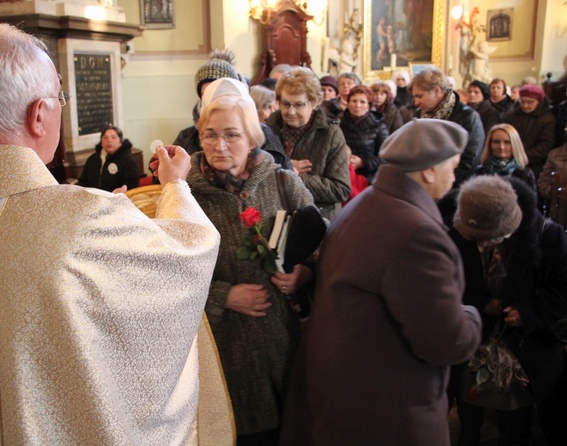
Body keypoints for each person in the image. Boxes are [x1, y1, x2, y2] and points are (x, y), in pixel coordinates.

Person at [0, 24, 234, 445]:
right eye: (59, 98)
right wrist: (174, 188)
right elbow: (189, 251)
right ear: (39, 114)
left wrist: (93, 219)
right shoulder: (77, 220)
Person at [280, 119, 482, 445]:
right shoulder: (417, 233)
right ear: (429, 170)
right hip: (388, 407)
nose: (454, 176)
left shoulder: (366, 203)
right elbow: (445, 340)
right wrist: (472, 315)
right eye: (453, 167)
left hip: (342, 393)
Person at [189, 77, 317, 445]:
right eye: (210, 135)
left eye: (231, 135)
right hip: (222, 350)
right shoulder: (186, 195)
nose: (220, 145)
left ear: (252, 139)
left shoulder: (282, 183)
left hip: (283, 345)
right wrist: (222, 297)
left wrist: (304, 272)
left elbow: (320, 240)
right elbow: (165, 277)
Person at [439, 176, 567, 446]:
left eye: (491, 239)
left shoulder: (548, 236)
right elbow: (443, 284)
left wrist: (527, 312)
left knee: (516, 426)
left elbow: (560, 293)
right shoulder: (455, 227)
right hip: (471, 339)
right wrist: (482, 303)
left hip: (525, 347)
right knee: (467, 414)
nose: (484, 245)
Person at [171, 50, 292, 171]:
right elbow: (167, 178)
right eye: (207, 94)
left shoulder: (264, 137)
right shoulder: (188, 136)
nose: (220, 147)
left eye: (232, 135)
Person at [266, 67, 351, 221]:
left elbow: (341, 189)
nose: (290, 111)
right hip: (275, 218)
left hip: (316, 219)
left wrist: (293, 176)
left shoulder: (330, 134)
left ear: (314, 102)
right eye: (285, 104)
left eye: (299, 105)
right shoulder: (268, 129)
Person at [410, 68, 485, 187]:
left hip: (455, 188)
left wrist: (443, 185)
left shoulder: (468, 117)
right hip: (424, 186)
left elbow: (469, 161)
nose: (416, 102)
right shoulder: (419, 116)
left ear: (437, 91)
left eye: (420, 96)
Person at [503, 84, 557, 179]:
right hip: (509, 162)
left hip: (533, 166)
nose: (525, 105)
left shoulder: (547, 119)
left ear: (539, 101)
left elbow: (545, 145)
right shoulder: (512, 115)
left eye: (530, 102)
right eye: (522, 101)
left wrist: (521, 157)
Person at [339, 85, 389, 184]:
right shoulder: (339, 124)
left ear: (369, 105)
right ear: (348, 104)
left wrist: (363, 162)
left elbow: (387, 157)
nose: (357, 105)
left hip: (370, 179)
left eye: (362, 102)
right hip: (343, 177)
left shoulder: (379, 126)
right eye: (354, 101)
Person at [77, 125, 140, 192]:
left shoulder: (128, 160)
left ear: (120, 141)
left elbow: (132, 184)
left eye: (113, 137)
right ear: (101, 142)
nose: (109, 140)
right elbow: (83, 182)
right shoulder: (92, 159)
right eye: (105, 137)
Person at [475, 123, 536, 190]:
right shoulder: (480, 171)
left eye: (507, 142)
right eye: (496, 142)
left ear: (515, 144)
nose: (501, 147)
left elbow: (530, 200)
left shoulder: (525, 174)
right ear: (490, 144)